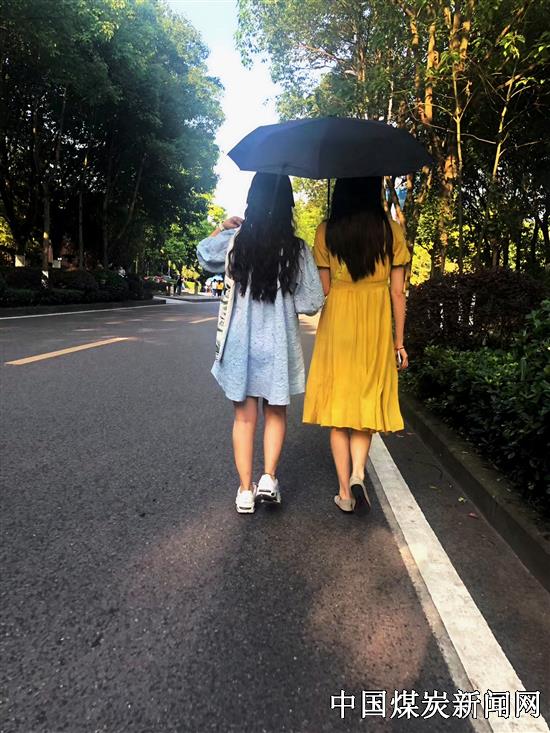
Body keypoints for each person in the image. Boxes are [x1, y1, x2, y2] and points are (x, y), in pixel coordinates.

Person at [197, 173, 324, 514]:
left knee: (244, 419)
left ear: (252, 199)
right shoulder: (297, 248)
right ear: (287, 205)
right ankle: (268, 478)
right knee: (276, 412)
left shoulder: (237, 241)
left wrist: (221, 227)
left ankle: (244, 491)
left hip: (241, 342)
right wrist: (286, 301)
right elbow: (312, 300)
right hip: (278, 343)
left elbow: (205, 256)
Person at [303, 177, 411, 514]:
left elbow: (323, 289)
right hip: (375, 321)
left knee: (339, 408)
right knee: (366, 400)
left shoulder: (326, 231)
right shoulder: (391, 231)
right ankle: (359, 473)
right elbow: (398, 293)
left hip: (339, 321)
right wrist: (399, 343)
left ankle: (344, 494)